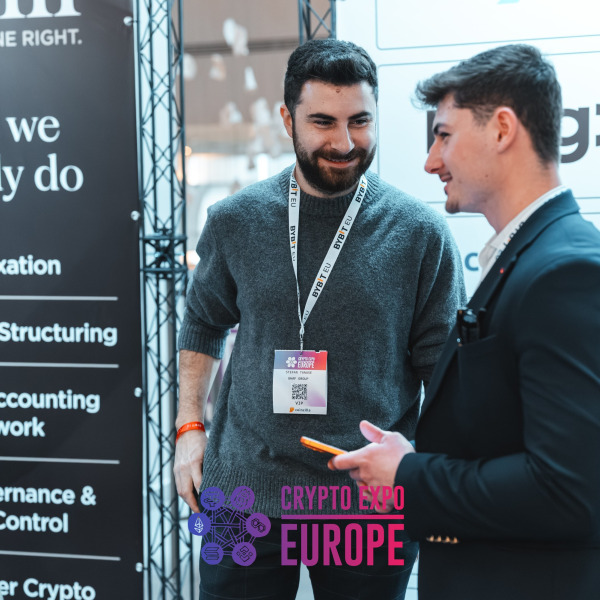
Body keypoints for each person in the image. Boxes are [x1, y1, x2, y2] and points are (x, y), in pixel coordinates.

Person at [174, 38, 465, 600]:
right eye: (323, 122)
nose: (345, 143)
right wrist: (189, 430)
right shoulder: (236, 220)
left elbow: (445, 377)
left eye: (360, 121)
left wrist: (433, 483)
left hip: (369, 503)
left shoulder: (420, 235)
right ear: (289, 120)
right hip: (241, 494)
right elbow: (203, 323)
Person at [331, 44, 600, 600]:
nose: (431, 161)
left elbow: (569, 490)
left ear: (502, 129)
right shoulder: (532, 258)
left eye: (444, 136)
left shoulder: (563, 272)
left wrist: (408, 476)